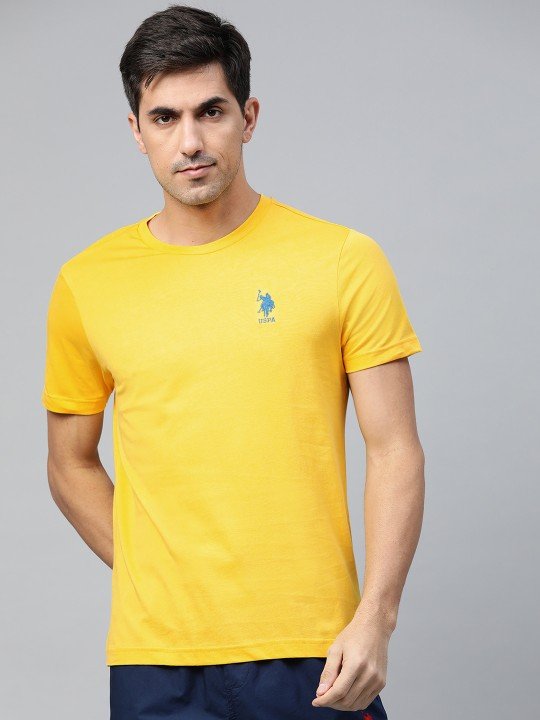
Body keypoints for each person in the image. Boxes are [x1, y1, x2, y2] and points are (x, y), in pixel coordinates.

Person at [41, 5, 425, 719]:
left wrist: (377, 617)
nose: (189, 141)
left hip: (315, 647)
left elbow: (395, 448)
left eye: (210, 112)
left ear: (248, 117)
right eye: (164, 118)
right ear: (136, 131)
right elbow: (69, 463)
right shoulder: (86, 283)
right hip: (157, 660)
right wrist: (157, 575)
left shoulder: (342, 260)